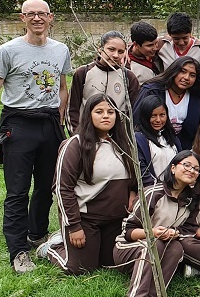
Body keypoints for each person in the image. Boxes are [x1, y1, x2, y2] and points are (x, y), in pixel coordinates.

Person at [0, 0, 72, 273]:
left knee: (47, 186)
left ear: (50, 17)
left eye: (41, 14)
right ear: (22, 19)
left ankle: (38, 233)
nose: (36, 19)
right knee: (18, 190)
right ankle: (18, 249)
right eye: (30, 14)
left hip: (48, 123)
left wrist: (59, 120)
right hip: (18, 124)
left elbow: (62, 87)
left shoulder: (61, 50)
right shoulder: (9, 51)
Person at [39, 94, 137, 274]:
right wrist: (74, 226)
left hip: (115, 219)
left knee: (111, 263)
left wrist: (132, 192)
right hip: (86, 219)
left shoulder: (124, 144)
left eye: (110, 112)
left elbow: (134, 179)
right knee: (81, 268)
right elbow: (62, 188)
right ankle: (52, 247)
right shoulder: (74, 145)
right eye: (99, 112)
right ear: (88, 115)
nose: (106, 116)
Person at [113, 150, 200, 297]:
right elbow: (128, 230)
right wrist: (151, 232)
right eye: (187, 165)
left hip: (161, 247)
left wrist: (174, 233)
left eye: (196, 169)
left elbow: (189, 229)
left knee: (176, 247)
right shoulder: (153, 192)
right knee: (153, 244)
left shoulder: (191, 200)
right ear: (173, 168)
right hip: (127, 248)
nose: (191, 170)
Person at [68, 31, 140, 132]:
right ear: (100, 48)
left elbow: (134, 112)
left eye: (120, 52)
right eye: (111, 49)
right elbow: (72, 108)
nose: (115, 55)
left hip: (118, 138)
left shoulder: (128, 77)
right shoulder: (83, 73)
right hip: (87, 135)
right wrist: (77, 135)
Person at [135, 56, 200, 148]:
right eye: (183, 71)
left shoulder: (196, 97)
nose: (186, 77)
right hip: (151, 147)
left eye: (192, 75)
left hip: (184, 150)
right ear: (174, 71)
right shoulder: (151, 91)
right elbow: (136, 121)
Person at [134, 95, 181, 187]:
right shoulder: (139, 139)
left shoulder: (171, 137)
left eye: (162, 115)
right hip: (152, 192)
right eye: (153, 116)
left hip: (175, 191)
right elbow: (142, 171)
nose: (158, 120)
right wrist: (160, 189)